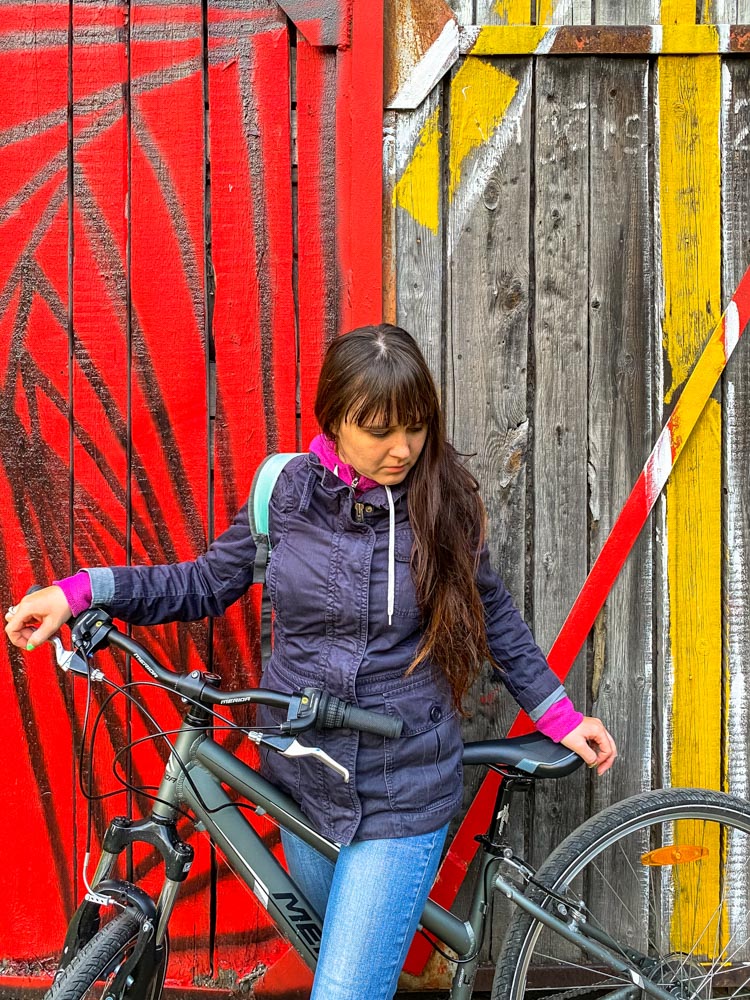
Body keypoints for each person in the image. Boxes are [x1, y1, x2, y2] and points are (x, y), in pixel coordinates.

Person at [5, 324, 616, 1000]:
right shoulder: (285, 493)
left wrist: (557, 714)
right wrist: (84, 590)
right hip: (304, 777)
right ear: (334, 421)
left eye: (415, 428)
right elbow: (204, 583)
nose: (401, 448)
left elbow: (493, 614)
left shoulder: (443, 501)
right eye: (379, 430)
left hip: (400, 789)